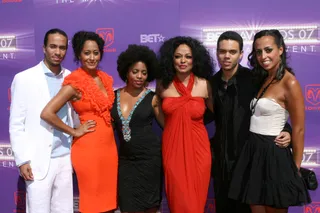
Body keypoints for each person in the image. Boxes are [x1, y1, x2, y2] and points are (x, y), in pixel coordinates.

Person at [205, 31, 292, 213]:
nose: (227, 56)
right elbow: (202, 116)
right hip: (221, 160)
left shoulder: (254, 79)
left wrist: (286, 130)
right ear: (216, 53)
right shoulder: (210, 84)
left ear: (241, 54)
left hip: (250, 159)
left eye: (232, 52)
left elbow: (271, 108)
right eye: (222, 51)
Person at [228, 29, 311, 213]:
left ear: (280, 49)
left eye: (268, 50)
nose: (263, 56)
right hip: (254, 152)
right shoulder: (264, 78)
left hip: (274, 155)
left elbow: (299, 129)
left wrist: (295, 169)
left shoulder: (290, 83)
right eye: (258, 52)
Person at [41, 31, 118, 213]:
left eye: (96, 52)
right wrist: (74, 131)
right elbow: (47, 113)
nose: (92, 57)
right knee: (92, 202)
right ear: (78, 55)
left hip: (109, 148)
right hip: (88, 149)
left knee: (108, 202)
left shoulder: (105, 79)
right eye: (87, 53)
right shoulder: (74, 82)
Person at [9, 28, 75, 213]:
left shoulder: (71, 77)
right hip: (37, 160)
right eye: (53, 46)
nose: (58, 52)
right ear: (44, 48)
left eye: (62, 48)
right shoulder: (24, 79)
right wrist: (22, 160)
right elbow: (16, 124)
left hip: (64, 157)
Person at [156, 36, 214, 213]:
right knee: (178, 199)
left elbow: (219, 114)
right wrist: (172, 128)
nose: (183, 61)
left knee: (196, 203)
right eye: (178, 56)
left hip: (199, 150)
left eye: (188, 57)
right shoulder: (162, 85)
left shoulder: (205, 85)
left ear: (195, 59)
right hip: (173, 149)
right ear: (170, 59)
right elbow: (157, 109)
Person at [111, 44, 164, 213]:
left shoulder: (153, 98)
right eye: (135, 71)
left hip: (150, 162)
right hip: (126, 163)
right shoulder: (112, 97)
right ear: (126, 71)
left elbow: (168, 126)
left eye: (144, 72)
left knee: (150, 208)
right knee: (127, 207)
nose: (139, 76)